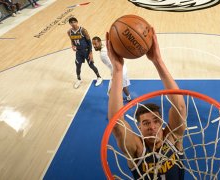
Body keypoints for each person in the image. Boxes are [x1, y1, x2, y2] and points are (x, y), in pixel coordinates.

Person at [107, 28, 186, 179]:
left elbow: (180, 107)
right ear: (139, 127)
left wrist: (158, 61)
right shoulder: (137, 149)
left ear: (162, 122)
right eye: (146, 123)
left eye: (156, 121)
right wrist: (117, 70)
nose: (152, 126)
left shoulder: (172, 139)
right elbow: (116, 123)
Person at [92, 36, 132, 101]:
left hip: (118, 72)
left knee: (111, 93)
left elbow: (113, 65)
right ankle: (129, 97)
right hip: (123, 68)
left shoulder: (103, 54)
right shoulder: (106, 48)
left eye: (95, 44)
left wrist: (114, 75)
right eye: (93, 44)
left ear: (100, 42)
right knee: (124, 85)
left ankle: (118, 105)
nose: (94, 46)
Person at [67, 17, 102, 89]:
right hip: (78, 51)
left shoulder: (83, 30)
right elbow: (71, 39)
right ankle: (79, 79)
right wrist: (72, 45)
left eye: (74, 22)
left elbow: (89, 42)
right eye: (71, 22)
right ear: (70, 24)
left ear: (77, 22)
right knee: (78, 66)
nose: (73, 24)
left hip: (86, 50)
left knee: (91, 65)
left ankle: (99, 77)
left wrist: (90, 53)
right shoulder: (69, 32)